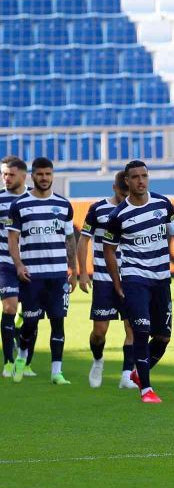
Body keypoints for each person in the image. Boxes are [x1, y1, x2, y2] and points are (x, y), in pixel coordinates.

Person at [103, 160, 174, 403]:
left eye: (144, 176)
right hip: (135, 279)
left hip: (161, 279)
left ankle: (138, 373)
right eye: (135, 177)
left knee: (163, 337)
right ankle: (147, 390)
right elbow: (108, 249)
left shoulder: (162, 205)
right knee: (140, 330)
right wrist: (117, 280)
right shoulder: (118, 215)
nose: (141, 181)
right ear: (127, 181)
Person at [8, 157, 77, 385]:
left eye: (48, 174)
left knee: (58, 321)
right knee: (30, 323)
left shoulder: (64, 205)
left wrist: (74, 268)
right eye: (40, 174)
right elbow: (13, 238)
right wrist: (18, 265)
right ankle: (22, 356)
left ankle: (56, 372)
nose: (44, 178)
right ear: (33, 176)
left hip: (58, 275)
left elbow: (69, 238)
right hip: (32, 276)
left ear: (52, 175)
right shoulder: (19, 205)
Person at [79, 170, 137, 389]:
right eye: (122, 195)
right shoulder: (97, 209)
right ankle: (98, 360)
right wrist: (83, 272)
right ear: (115, 189)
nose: (125, 199)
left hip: (130, 276)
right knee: (99, 332)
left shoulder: (137, 208)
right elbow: (84, 240)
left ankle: (126, 376)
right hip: (103, 278)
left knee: (131, 327)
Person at [1, 157, 29, 378]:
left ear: (23, 175)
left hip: (32, 262)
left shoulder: (34, 199)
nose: (6, 178)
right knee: (9, 308)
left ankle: (24, 359)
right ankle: (8, 361)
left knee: (28, 314)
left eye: (10, 174)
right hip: (4, 263)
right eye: (3, 174)